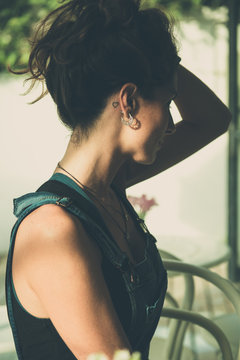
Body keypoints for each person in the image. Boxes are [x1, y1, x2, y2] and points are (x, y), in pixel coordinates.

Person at [5, 0, 231, 359]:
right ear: (128, 101)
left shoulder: (108, 186)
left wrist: (143, 46)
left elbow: (214, 119)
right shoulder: (53, 231)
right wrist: (147, 52)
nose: (172, 124)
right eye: (169, 101)